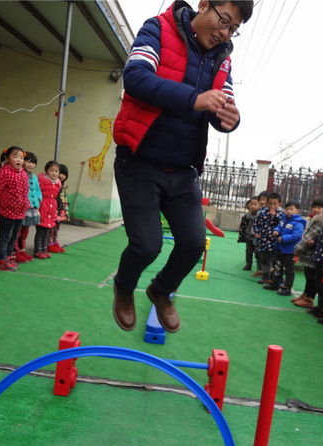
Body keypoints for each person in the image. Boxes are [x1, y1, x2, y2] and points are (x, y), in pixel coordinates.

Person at [111, 0, 254, 333]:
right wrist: (194, 98)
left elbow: (223, 106)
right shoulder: (158, 29)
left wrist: (229, 119)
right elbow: (135, 77)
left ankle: (161, 290)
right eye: (223, 21)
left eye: (233, 29)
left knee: (193, 242)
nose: (225, 32)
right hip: (140, 161)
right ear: (204, 5)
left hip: (183, 169)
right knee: (147, 245)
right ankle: (123, 286)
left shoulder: (223, 58)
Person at [0, 146, 30, 271]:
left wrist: (26, 204)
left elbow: (25, 192)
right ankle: (1, 260)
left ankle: (9, 256)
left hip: (20, 212)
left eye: (21, 157)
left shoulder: (23, 173)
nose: (19, 160)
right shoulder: (4, 172)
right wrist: (3, 205)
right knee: (4, 237)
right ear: (7, 158)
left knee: (14, 237)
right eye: (15, 157)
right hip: (7, 212)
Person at [292, 196, 323, 308]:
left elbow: (310, 235)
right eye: (315, 207)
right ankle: (305, 294)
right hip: (309, 252)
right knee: (308, 275)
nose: (316, 210)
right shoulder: (314, 218)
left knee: (312, 277)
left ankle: (309, 299)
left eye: (319, 207)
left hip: (313, 253)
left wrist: (298, 248)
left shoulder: (320, 221)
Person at [268, 200, 306, 295]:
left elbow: (297, 235)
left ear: (297, 211)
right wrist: (276, 231)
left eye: (291, 209)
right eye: (287, 209)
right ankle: (275, 283)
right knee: (277, 266)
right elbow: (279, 227)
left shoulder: (298, 222)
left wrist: (284, 239)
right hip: (280, 248)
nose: (288, 211)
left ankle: (287, 287)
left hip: (289, 250)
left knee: (289, 270)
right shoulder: (284, 219)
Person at [252, 193, 284, 284]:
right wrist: (256, 233)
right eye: (270, 204)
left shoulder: (282, 214)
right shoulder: (262, 213)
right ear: (266, 203)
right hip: (264, 242)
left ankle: (278, 279)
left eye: (275, 204)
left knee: (276, 262)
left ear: (280, 204)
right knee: (265, 260)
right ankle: (265, 276)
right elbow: (256, 225)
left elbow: (283, 224)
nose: (272, 206)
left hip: (275, 243)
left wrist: (275, 215)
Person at [14, 151, 41, 263]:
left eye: (33, 163)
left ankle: (22, 250)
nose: (30, 165)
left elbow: (38, 189)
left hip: (32, 208)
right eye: (28, 162)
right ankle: (15, 251)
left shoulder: (34, 177)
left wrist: (38, 200)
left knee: (25, 231)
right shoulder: (20, 174)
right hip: (22, 207)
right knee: (18, 231)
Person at [34, 161, 61, 259]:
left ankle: (44, 249)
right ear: (46, 171)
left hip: (51, 209)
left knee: (46, 232)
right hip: (42, 208)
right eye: (51, 171)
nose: (54, 173)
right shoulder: (41, 182)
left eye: (56, 171)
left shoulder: (58, 183)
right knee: (40, 231)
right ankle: (38, 250)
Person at [47, 163, 69, 254]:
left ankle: (55, 242)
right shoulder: (55, 184)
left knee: (57, 227)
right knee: (51, 227)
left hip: (61, 209)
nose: (62, 176)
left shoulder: (62, 185)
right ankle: (49, 243)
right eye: (61, 173)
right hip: (54, 209)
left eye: (64, 174)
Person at [237, 196, 260, 271]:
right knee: (248, 252)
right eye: (251, 204)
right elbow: (243, 226)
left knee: (258, 253)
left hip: (257, 238)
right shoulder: (247, 215)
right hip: (248, 237)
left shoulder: (261, 215)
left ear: (260, 205)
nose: (253, 206)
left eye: (255, 204)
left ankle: (259, 268)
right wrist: (241, 236)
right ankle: (248, 264)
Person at [251, 191, 270, 277]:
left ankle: (264, 271)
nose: (262, 202)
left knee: (264, 256)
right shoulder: (260, 211)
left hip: (264, 238)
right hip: (257, 238)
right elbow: (255, 224)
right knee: (257, 254)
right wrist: (254, 232)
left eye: (265, 200)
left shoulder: (268, 211)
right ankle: (259, 269)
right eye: (261, 200)